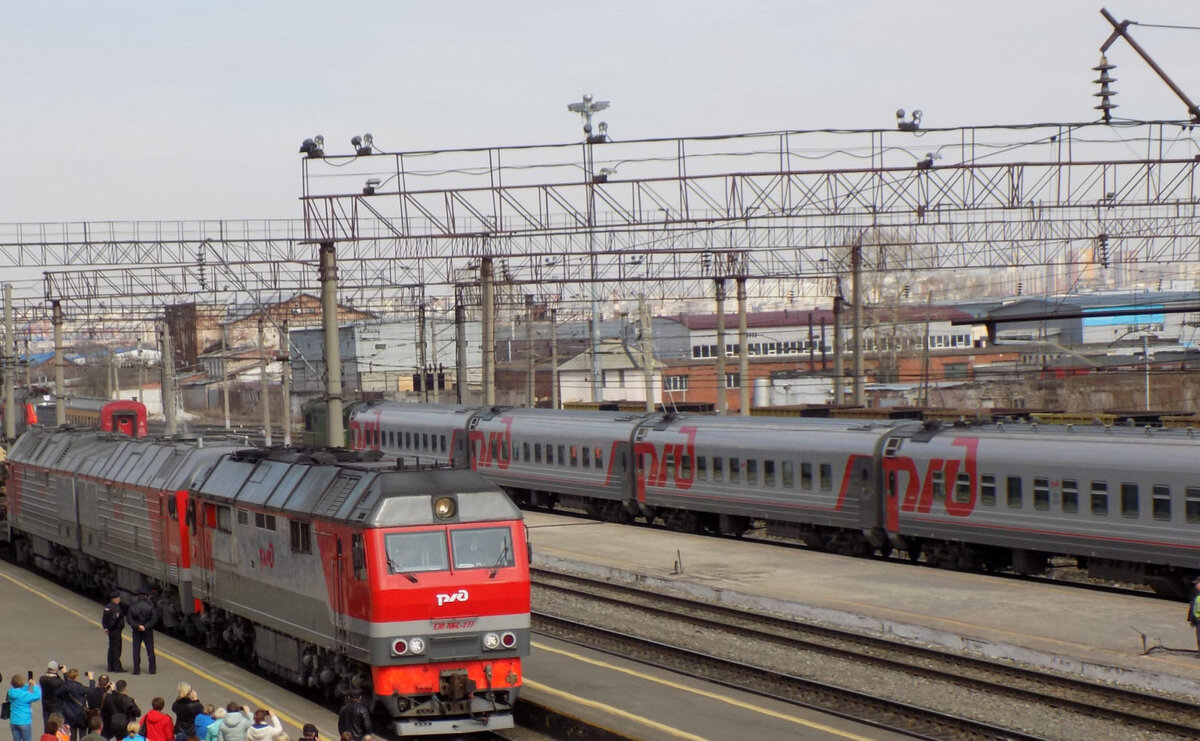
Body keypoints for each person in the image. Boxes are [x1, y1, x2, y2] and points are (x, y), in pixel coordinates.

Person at [55, 670, 93, 741]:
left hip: (69, 714)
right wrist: (91, 679)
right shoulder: (79, 687)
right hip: (81, 715)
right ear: (75, 677)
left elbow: (57, 693)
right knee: (83, 736)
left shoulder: (65, 686)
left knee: (71, 736)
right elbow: (91, 690)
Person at [127, 589, 158, 675]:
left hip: (136, 631)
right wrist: (145, 626)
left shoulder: (133, 606)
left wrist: (137, 626)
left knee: (136, 650)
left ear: (138, 596)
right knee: (150, 650)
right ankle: (152, 670)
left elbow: (129, 619)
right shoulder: (151, 606)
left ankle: (136, 670)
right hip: (147, 631)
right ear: (146, 596)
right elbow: (154, 619)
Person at [7, 673, 43, 741]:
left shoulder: (10, 692)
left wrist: (28, 685)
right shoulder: (25, 695)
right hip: (24, 721)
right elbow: (37, 696)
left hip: (14, 721)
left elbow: (19, 690)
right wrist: (34, 685)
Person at [102, 592, 126, 673]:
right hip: (115, 630)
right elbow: (114, 620)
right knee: (116, 649)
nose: (119, 599)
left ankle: (110, 666)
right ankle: (117, 667)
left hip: (110, 631)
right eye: (118, 598)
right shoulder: (116, 608)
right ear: (114, 599)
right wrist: (110, 628)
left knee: (111, 648)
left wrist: (106, 628)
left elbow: (104, 619)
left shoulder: (107, 607)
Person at [39, 662, 64, 730]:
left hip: (46, 706)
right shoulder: (58, 682)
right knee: (58, 728)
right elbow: (65, 686)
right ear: (56, 669)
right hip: (56, 707)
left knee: (47, 728)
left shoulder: (42, 679)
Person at [1187, 576, 1200, 655]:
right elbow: (1192, 608)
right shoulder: (1196, 595)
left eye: (1197, 584)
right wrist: (1191, 620)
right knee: (1198, 637)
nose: (1195, 586)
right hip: (1197, 620)